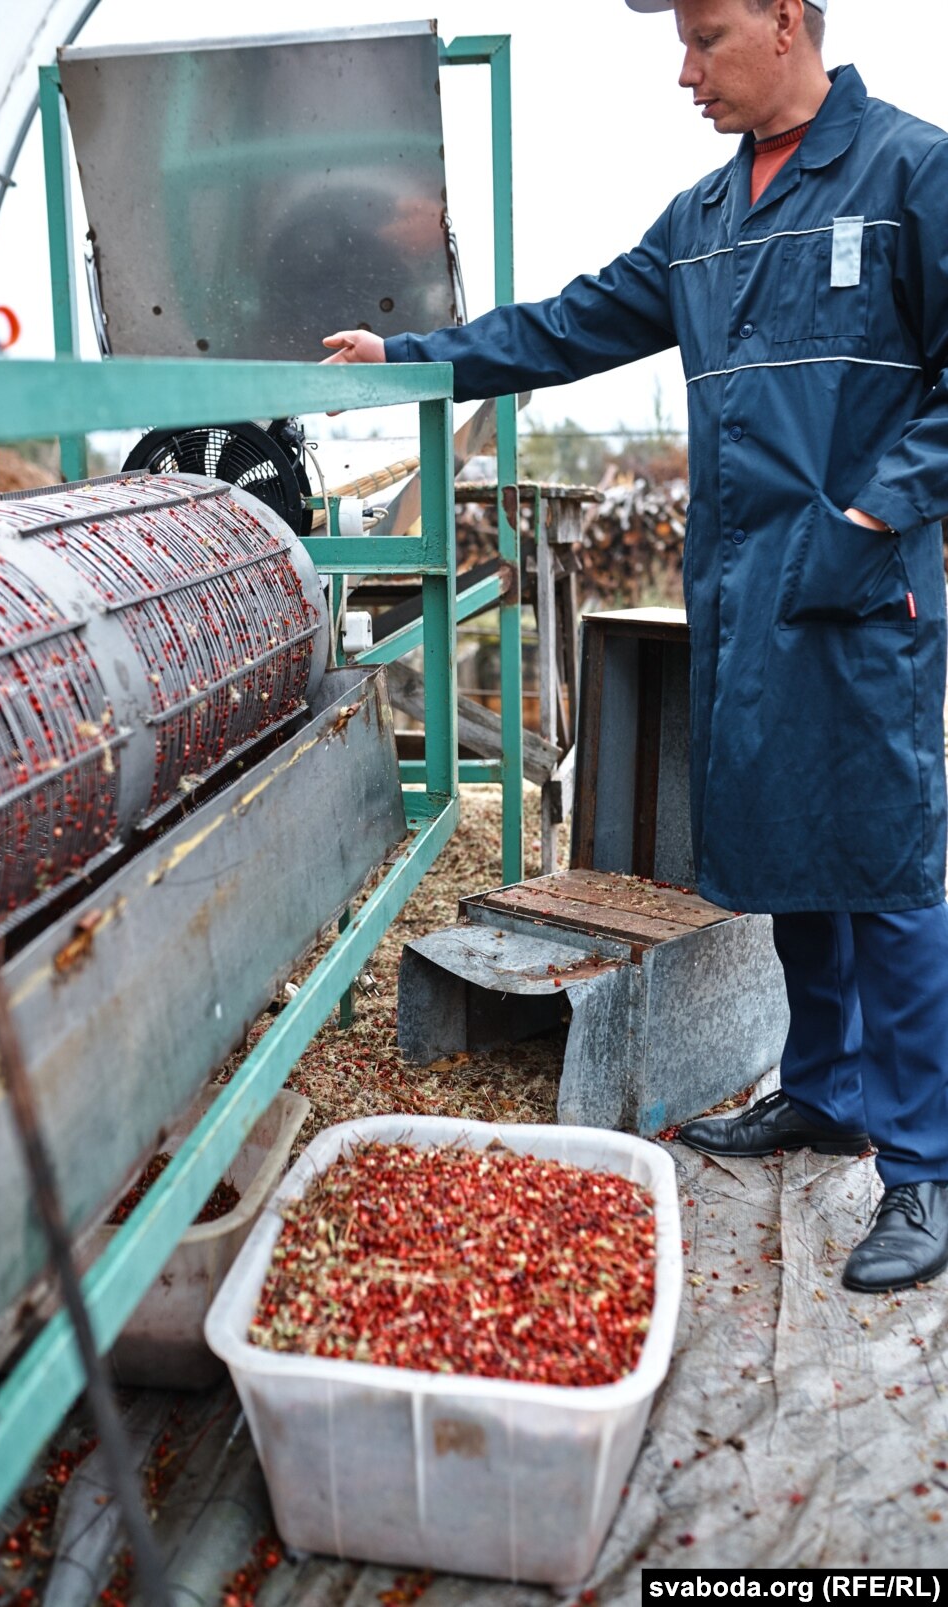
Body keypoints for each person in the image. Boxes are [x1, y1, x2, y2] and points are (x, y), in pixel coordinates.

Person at [322, 0, 948, 1294]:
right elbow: (565, 325)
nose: (685, 69)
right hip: (741, 591)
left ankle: (928, 1169)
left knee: (885, 872)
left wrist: (879, 506)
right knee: (792, 854)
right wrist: (412, 358)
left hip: (856, 587)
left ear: (785, 20)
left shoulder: (908, 175)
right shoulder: (705, 221)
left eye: (707, 36)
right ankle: (824, 1093)